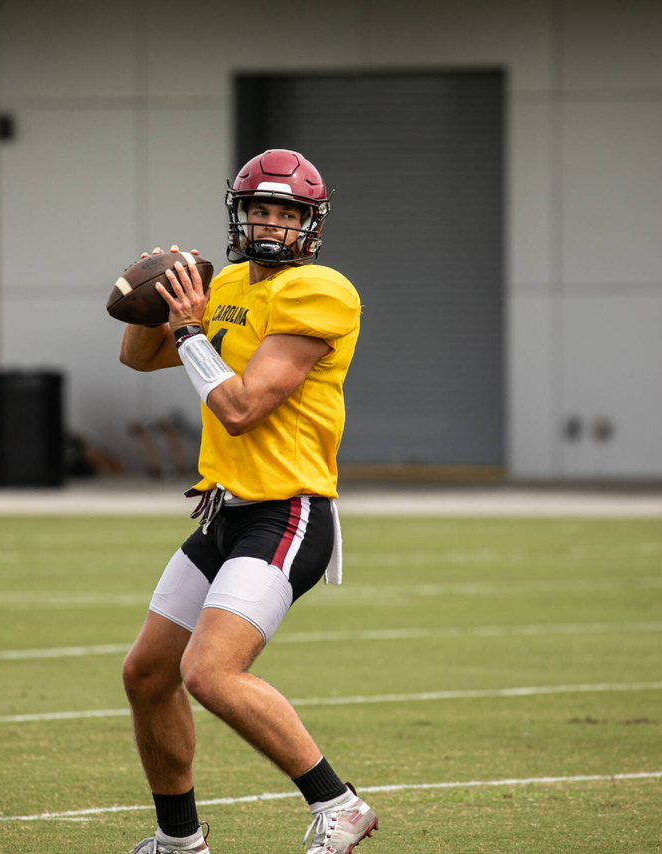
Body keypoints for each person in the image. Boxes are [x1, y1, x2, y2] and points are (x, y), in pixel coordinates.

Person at [117, 149, 376, 854]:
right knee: (147, 673)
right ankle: (180, 841)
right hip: (225, 511)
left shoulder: (320, 291)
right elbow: (139, 358)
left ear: (309, 226)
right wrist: (159, 303)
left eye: (285, 213)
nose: (270, 222)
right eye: (259, 208)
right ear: (238, 213)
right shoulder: (226, 283)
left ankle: (339, 803)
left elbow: (240, 408)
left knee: (209, 672)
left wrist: (192, 331)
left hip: (288, 512)